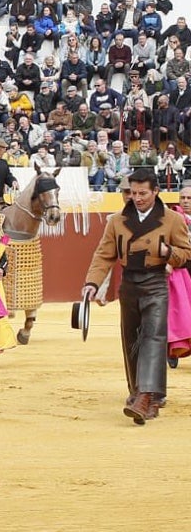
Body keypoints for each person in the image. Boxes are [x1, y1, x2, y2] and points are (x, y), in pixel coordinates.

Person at [81, 168, 191, 424]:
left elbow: (187, 254)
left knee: (152, 338)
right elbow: (104, 254)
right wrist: (92, 283)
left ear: (156, 192)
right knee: (132, 340)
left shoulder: (173, 220)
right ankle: (143, 394)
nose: (138, 198)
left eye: (143, 193)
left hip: (156, 282)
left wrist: (168, 252)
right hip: (129, 283)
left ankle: (144, 395)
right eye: (133, 193)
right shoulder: (117, 221)